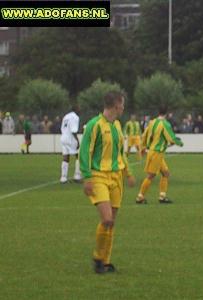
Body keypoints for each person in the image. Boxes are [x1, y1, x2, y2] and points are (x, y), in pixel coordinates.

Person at [79, 91, 135, 274]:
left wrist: (128, 172)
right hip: (99, 177)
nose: (124, 108)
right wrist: (87, 177)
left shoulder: (117, 125)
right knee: (107, 219)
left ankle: (105, 261)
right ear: (116, 105)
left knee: (112, 222)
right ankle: (98, 257)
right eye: (123, 104)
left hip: (116, 177)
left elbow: (120, 153)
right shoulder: (94, 125)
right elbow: (85, 151)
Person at [136, 105, 184, 204]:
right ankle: (140, 197)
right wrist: (179, 143)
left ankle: (162, 196)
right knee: (151, 175)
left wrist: (143, 147)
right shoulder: (165, 124)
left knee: (166, 173)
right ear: (166, 113)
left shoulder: (152, 122)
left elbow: (144, 135)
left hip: (155, 152)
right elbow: (171, 137)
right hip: (156, 153)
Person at [60, 106, 81, 184]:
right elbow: (73, 130)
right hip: (70, 138)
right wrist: (77, 140)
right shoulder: (75, 117)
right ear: (76, 110)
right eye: (79, 109)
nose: (80, 110)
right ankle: (77, 176)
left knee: (65, 157)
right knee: (79, 156)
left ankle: (63, 178)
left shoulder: (66, 116)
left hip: (63, 137)